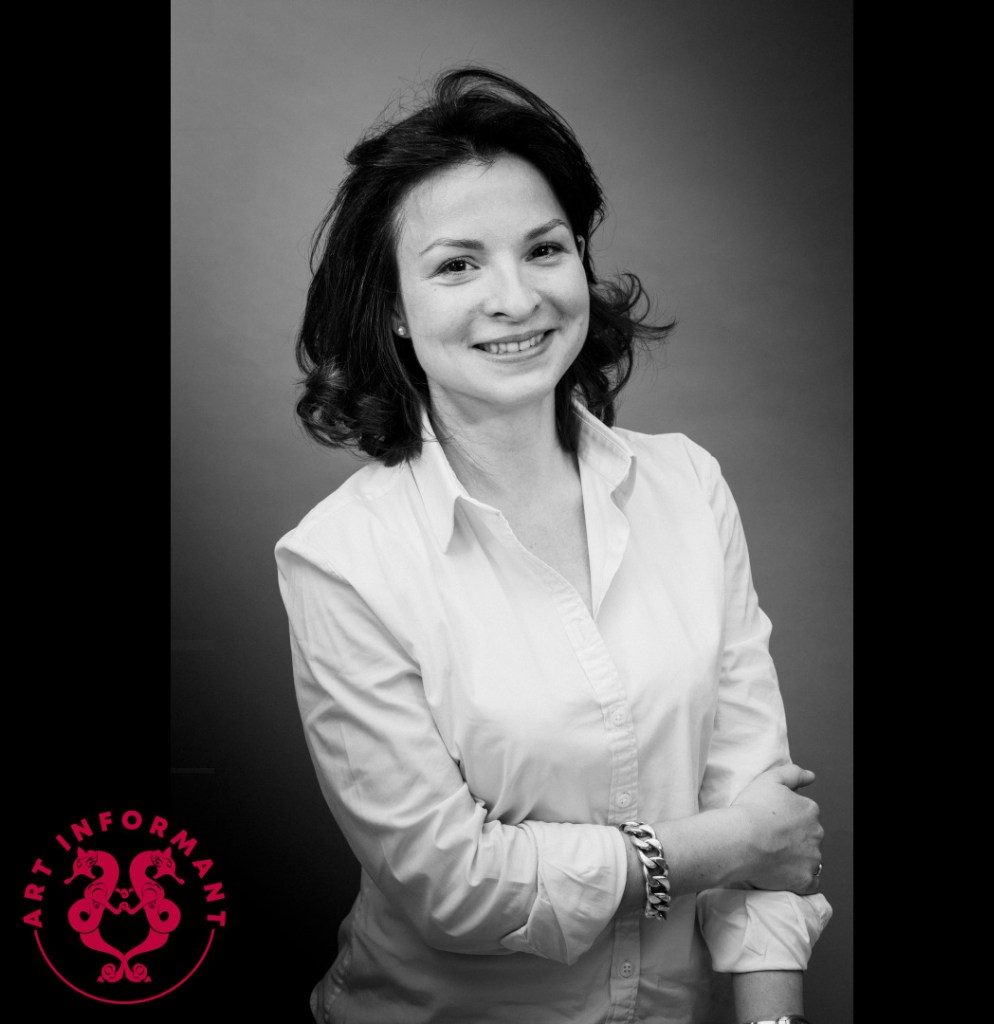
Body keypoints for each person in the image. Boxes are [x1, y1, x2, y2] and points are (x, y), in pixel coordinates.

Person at [275, 67, 831, 1024]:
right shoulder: (341, 561)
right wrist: (724, 845)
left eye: (543, 249)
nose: (516, 297)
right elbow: (455, 888)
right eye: (457, 265)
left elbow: (760, 800)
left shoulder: (688, 485)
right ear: (395, 308)